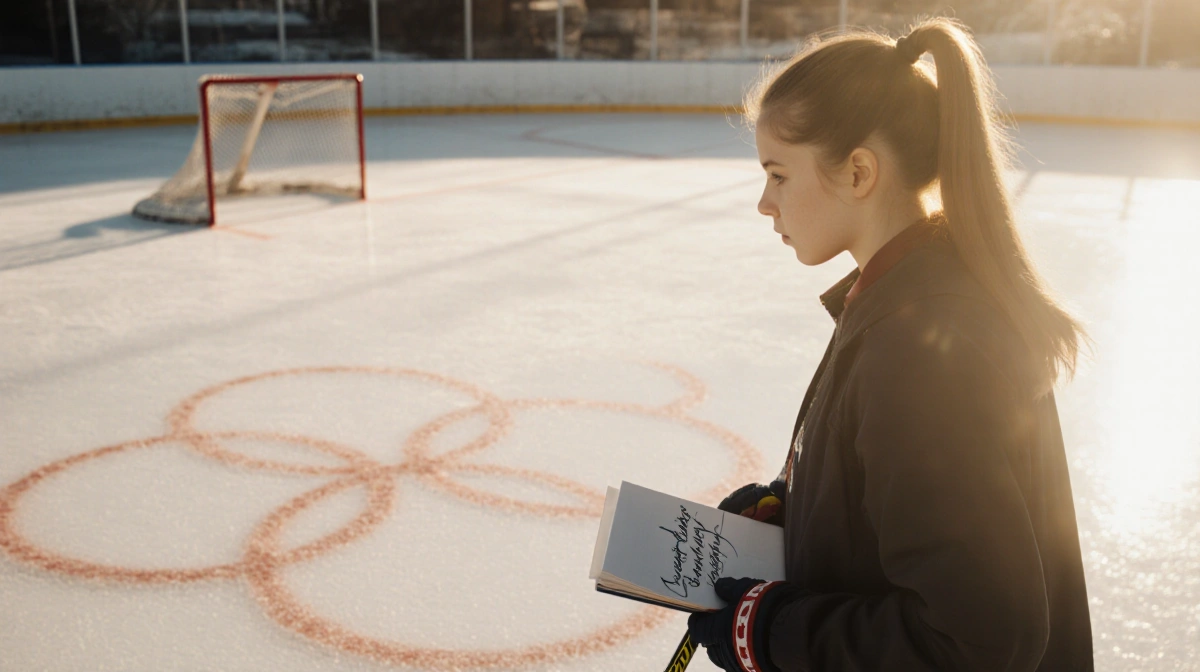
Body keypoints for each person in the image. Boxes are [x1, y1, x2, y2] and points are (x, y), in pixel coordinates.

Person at [685, 18, 1095, 672]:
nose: (765, 203)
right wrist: (791, 511)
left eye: (779, 175)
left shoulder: (923, 350)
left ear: (858, 171)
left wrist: (766, 633)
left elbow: (978, 640)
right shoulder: (901, 299)